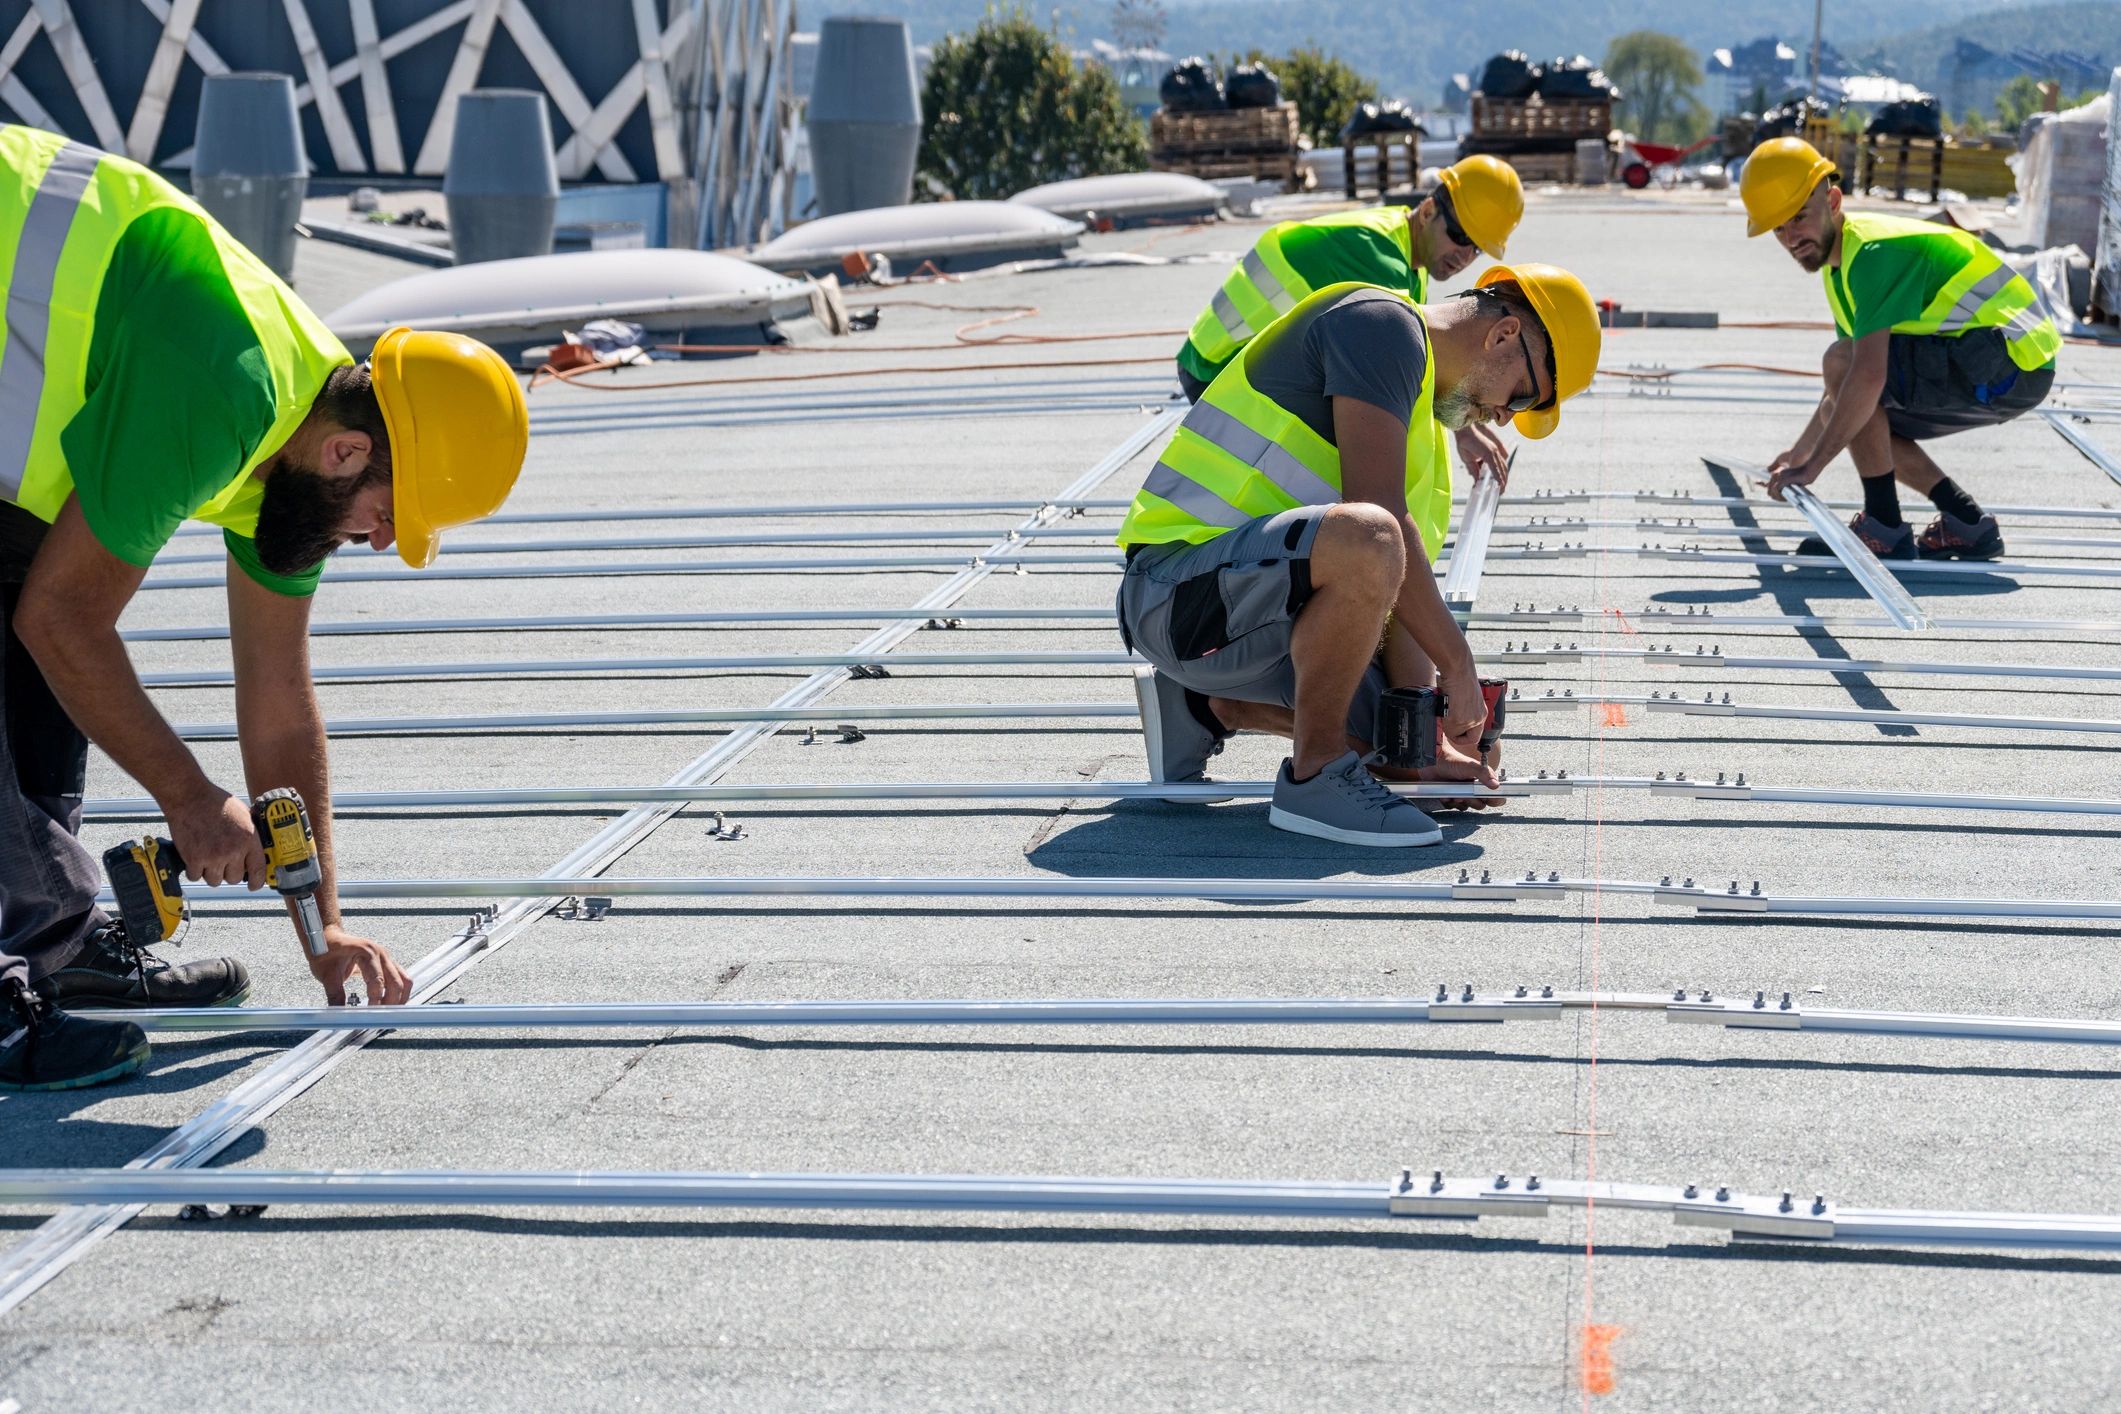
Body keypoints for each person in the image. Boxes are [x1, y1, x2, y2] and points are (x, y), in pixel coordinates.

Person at [0, 124, 528, 1091]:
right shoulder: (228, 384)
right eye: (383, 519)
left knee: (27, 634)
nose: (373, 542)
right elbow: (64, 618)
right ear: (348, 456)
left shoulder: (299, 449)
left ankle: (57, 945)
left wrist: (319, 920)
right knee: (46, 617)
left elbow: (279, 702)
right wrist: (193, 801)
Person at [1116, 264, 1600, 846]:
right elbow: (1377, 530)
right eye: (1523, 396)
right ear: (1503, 336)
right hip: (1172, 594)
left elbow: (1397, 592)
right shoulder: (1378, 325)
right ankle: (1313, 777)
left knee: (1402, 748)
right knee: (1372, 535)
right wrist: (1460, 667)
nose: (1505, 416)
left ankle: (1208, 705)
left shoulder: (1418, 424)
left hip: (1241, 609)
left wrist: (1425, 740)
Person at [1739, 137, 2060, 560]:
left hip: (2008, 360)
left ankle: (1883, 527)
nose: (1791, 237)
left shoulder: (1873, 252)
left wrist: (1813, 465)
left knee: (1856, 384)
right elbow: (1846, 390)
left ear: (1832, 200)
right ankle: (1966, 521)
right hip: (2006, 362)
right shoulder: (1841, 267)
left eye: (1799, 217)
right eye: (1779, 228)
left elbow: (1862, 373)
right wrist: (1798, 453)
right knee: (1861, 409)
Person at [1175, 156, 1528, 487]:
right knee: (1366, 418)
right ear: (1429, 210)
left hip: (1222, 355)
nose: (1465, 256)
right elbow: (1411, 373)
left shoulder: (1402, 247)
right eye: (1461, 236)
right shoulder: (1378, 256)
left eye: (1477, 248)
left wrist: (1463, 429)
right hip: (1215, 367)